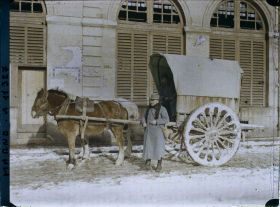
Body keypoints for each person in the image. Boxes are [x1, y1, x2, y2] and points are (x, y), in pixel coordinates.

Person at [142, 93, 169, 172]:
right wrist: (143, 122)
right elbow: (143, 117)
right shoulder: (148, 109)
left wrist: (156, 121)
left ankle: (159, 164)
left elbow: (166, 119)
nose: (151, 102)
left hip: (158, 132)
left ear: (157, 101)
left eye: (153, 100)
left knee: (158, 148)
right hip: (149, 132)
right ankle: (148, 163)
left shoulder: (162, 109)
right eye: (151, 100)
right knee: (148, 147)